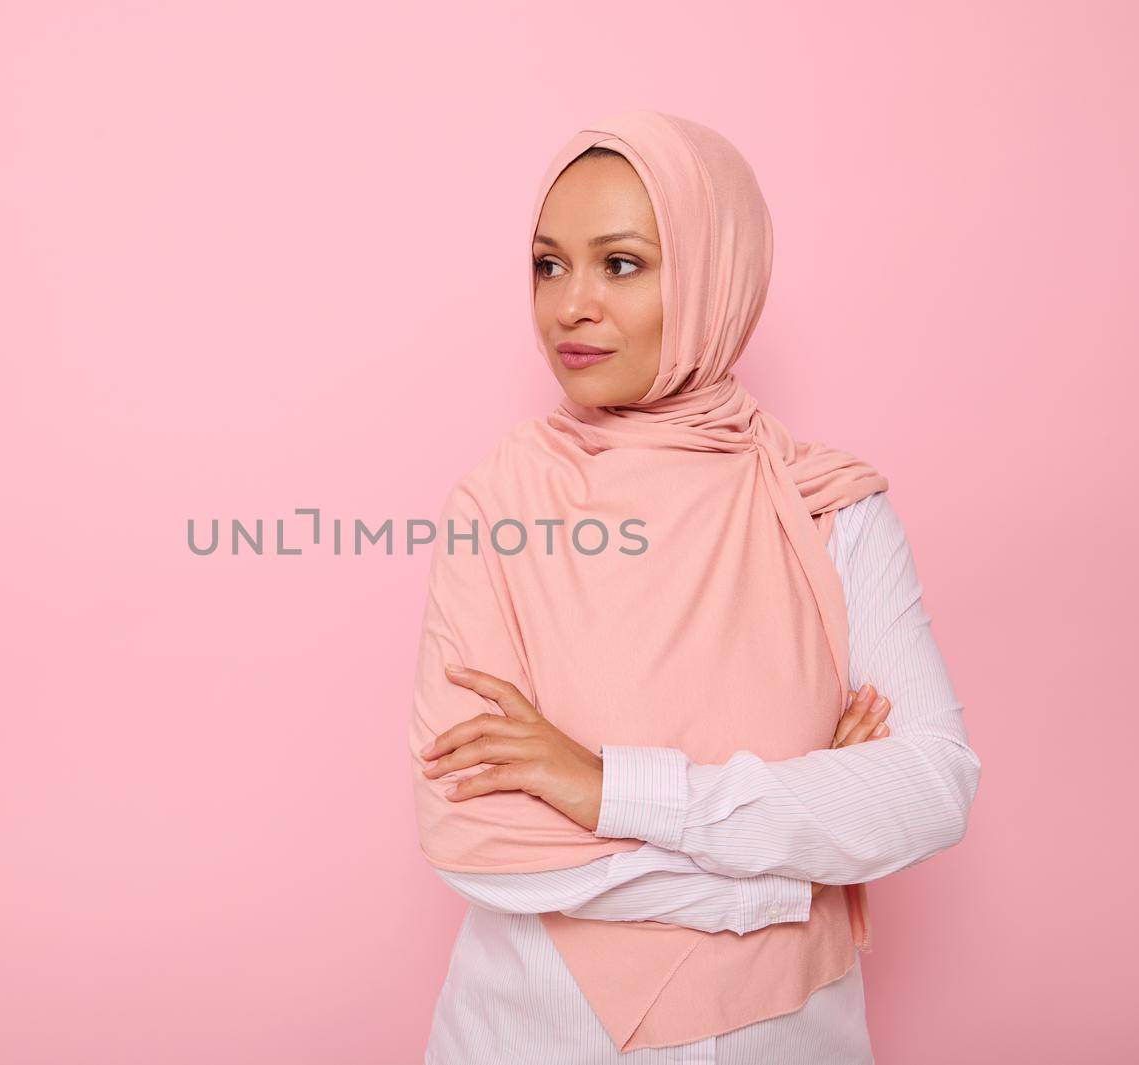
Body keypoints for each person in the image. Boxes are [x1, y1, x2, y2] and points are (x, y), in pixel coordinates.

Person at [408, 111, 981, 1064]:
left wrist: (606, 788)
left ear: (717, 274)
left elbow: (932, 783)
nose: (570, 305)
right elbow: (475, 833)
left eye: (620, 264)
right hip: (532, 1031)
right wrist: (792, 869)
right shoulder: (499, 504)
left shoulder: (826, 506)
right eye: (548, 265)